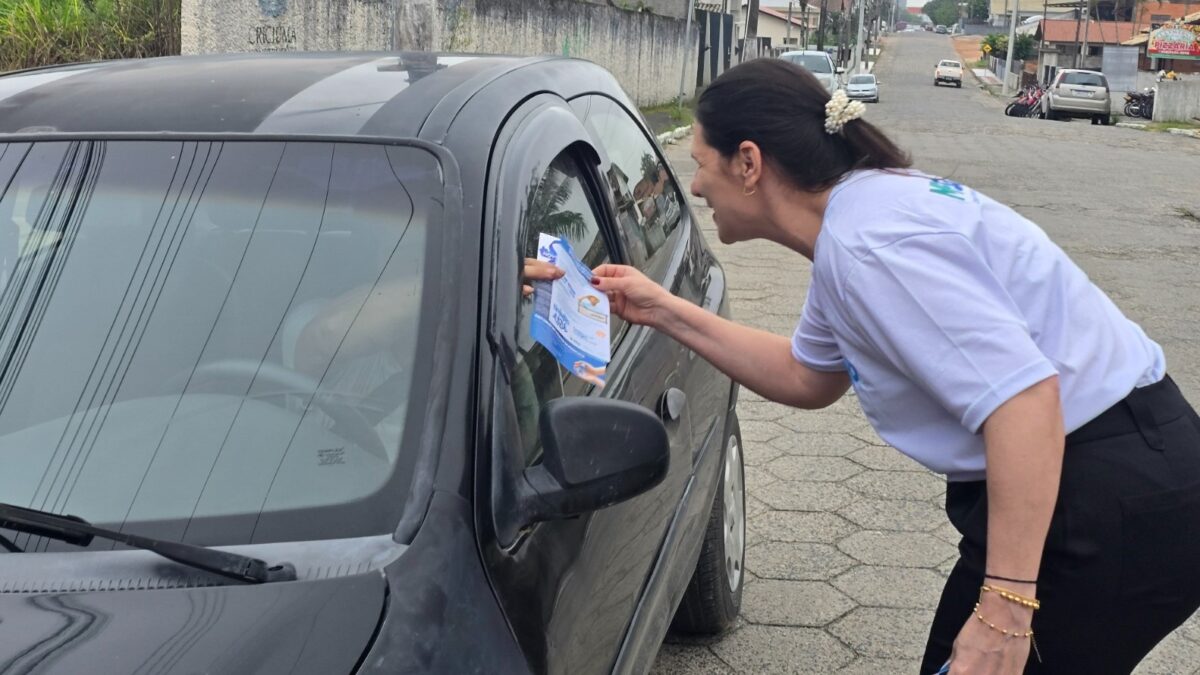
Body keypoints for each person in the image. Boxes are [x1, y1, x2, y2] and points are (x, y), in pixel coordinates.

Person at [590, 59, 1200, 675]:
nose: (695, 188)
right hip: (1106, 476)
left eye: (700, 164)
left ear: (749, 164)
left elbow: (1025, 401)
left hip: (1106, 498)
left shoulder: (871, 246)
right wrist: (663, 309)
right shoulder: (860, 220)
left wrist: (1007, 611)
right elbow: (807, 375)